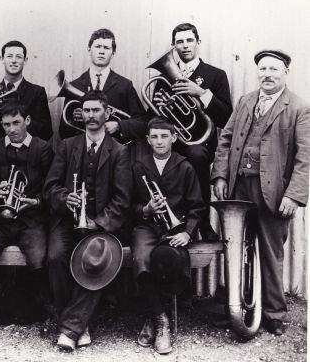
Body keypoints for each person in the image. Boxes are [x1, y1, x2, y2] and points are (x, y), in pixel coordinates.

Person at [211, 49, 310, 336]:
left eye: (274, 70)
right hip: (239, 186)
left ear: (285, 73)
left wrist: (294, 195)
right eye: (263, 69)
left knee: (270, 252)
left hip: (275, 193)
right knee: (236, 248)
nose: (267, 74)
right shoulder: (244, 101)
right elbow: (226, 140)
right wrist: (219, 174)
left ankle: (273, 313)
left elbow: (306, 157)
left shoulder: (299, 108)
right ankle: (236, 308)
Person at [44, 90, 132, 351]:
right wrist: (64, 198)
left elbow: (123, 199)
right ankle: (78, 323)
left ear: (107, 113)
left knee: (96, 261)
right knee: (55, 256)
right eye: (87, 111)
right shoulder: (67, 145)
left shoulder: (119, 151)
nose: (91, 116)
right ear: (81, 114)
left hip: (100, 223)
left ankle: (71, 328)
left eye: (96, 110)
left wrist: (100, 223)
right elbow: (50, 187)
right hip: (67, 219)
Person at [0, 100, 53, 322]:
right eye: (6, 125)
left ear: (28, 121)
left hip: (31, 217)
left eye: (16, 122)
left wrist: (35, 201)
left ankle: (39, 299)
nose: (12, 129)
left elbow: (52, 187)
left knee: (37, 258)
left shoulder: (42, 148)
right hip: (0, 219)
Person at [128, 116, 204, 354]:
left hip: (176, 228)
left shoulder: (185, 166)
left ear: (174, 137)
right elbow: (129, 205)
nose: (159, 141)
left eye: (164, 136)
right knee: (140, 259)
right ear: (148, 140)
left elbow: (197, 207)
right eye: (154, 137)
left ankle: (154, 316)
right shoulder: (139, 166)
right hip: (148, 227)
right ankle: (160, 319)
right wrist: (146, 209)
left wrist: (189, 233)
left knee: (167, 259)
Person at [151, 23, 232, 242]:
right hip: (173, 143)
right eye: (179, 41)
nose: (185, 45)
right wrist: (158, 105)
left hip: (202, 143)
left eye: (189, 40)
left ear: (198, 43)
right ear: (173, 46)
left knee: (196, 154)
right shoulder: (164, 77)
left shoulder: (216, 75)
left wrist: (202, 93)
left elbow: (226, 117)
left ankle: (203, 223)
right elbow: (155, 119)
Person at [58, 28, 147, 149]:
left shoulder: (125, 85)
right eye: (97, 46)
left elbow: (142, 123)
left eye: (106, 48)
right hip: (82, 152)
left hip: (116, 153)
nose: (101, 51)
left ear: (113, 53)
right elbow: (63, 132)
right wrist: (74, 120)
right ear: (89, 50)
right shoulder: (74, 86)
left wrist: (119, 125)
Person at [0, 40, 52, 142]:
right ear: (2, 59)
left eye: (18, 57)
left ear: (25, 60)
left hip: (28, 155)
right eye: (9, 56)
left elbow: (46, 132)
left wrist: (17, 109)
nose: (14, 60)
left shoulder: (37, 92)